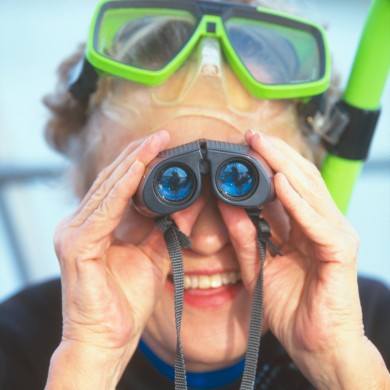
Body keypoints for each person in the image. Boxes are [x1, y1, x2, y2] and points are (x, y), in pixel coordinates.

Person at [0, 0, 389, 389]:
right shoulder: (17, 348)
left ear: (309, 189)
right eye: (164, 186)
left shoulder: (375, 329)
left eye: (246, 182)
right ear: (87, 194)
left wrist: (339, 362)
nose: (205, 239)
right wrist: (89, 358)